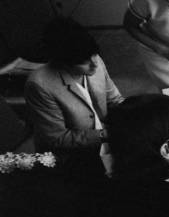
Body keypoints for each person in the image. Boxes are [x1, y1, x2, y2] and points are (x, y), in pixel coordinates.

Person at [25, 17, 123, 153]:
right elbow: (57, 138)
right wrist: (106, 134)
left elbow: (114, 100)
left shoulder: (95, 61)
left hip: (102, 135)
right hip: (71, 153)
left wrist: (136, 115)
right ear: (63, 62)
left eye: (94, 54)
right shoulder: (39, 85)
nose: (95, 63)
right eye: (83, 61)